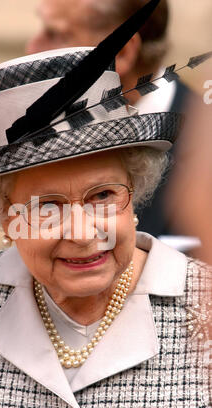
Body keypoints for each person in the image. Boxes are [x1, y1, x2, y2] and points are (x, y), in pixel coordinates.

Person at [0, 3, 211, 408]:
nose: (82, 231)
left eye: (103, 196)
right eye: (44, 206)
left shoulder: (205, 312)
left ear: (136, 189)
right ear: (5, 216)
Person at [27, 0, 200, 248]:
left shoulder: (204, 147)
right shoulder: (45, 133)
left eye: (56, 34)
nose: (32, 48)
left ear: (121, 52)